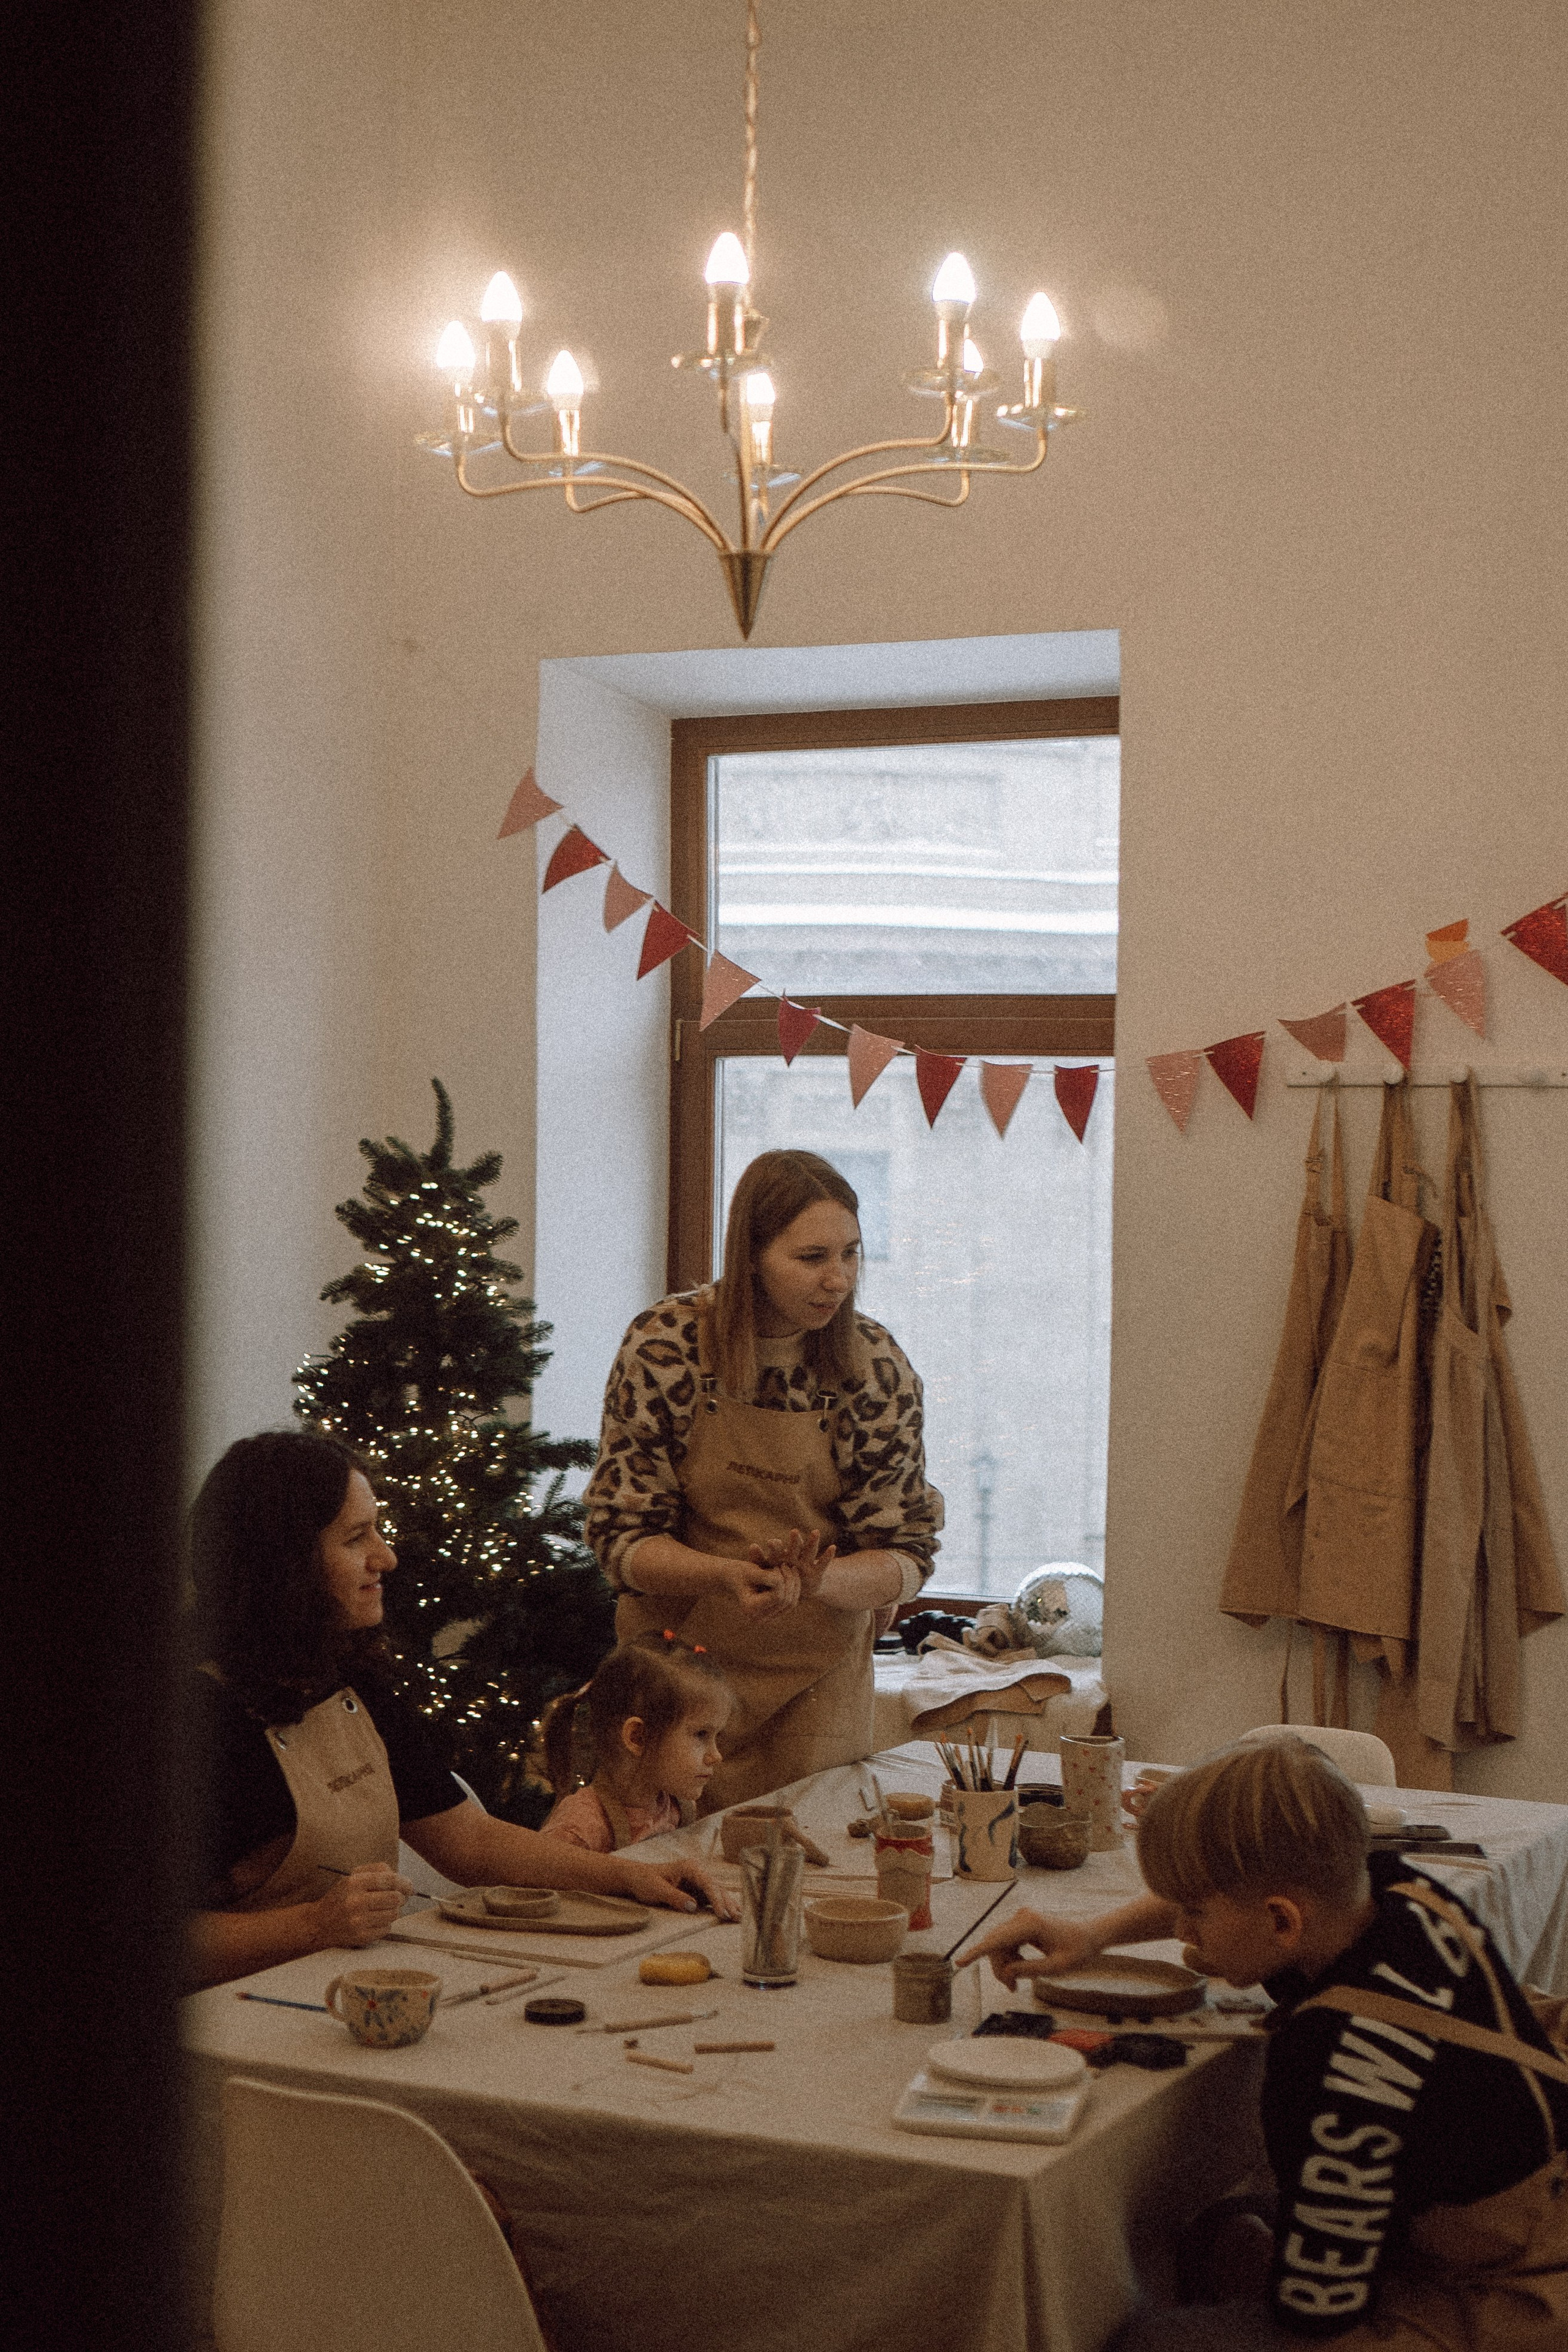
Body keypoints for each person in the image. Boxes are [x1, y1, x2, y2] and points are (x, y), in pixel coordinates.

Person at [960, 1736, 1568, 2349]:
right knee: (1212, 2227)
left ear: (1281, 1921)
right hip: (1530, 2195)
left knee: (1149, 2339)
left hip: (1514, 2295)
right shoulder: (1397, 1890)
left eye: (1195, 1913)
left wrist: (1257, 2266)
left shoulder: (1327, 2061)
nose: (1179, 1930)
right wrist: (1094, 1935)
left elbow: (1317, 2311)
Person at [188, 1429, 734, 1989]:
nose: (387, 1556)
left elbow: (470, 1843)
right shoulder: (198, 1719)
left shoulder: (350, 1683)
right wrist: (312, 1925)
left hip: (344, 1987)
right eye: (357, 1538)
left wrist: (630, 1878)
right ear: (285, 1565)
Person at [584, 1148, 943, 1811]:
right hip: (672, 1677)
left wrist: (815, 1583)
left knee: (805, 1871)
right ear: (749, 1255)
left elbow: (908, 1555)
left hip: (814, 1681)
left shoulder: (874, 1366)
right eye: (812, 1258)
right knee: (669, 1878)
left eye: (852, 1254)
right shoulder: (667, 1346)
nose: (838, 1280)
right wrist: (724, 1575)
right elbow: (621, 1540)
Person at [541, 1633, 734, 1850]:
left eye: (716, 1736)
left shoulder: (677, 1807)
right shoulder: (580, 1829)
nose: (716, 1756)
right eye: (701, 1734)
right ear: (638, 1737)